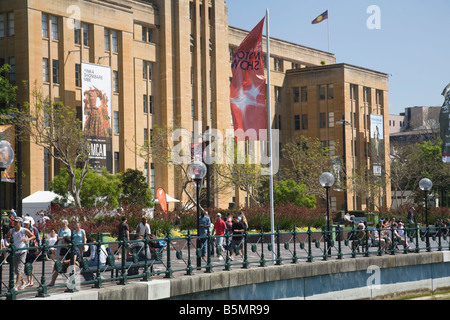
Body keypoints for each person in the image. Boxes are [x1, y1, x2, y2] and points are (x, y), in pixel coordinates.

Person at [6, 217, 36, 290]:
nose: (14, 223)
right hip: (15, 251)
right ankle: (23, 281)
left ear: (20, 223)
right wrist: (9, 240)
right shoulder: (11, 230)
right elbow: (7, 237)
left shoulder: (24, 230)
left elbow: (33, 236)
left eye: (16, 222)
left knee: (20, 268)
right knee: (16, 270)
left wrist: (27, 239)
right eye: (14, 222)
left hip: (22, 251)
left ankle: (16, 285)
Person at [23, 218, 40, 287]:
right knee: (26, 265)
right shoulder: (23, 229)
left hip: (31, 249)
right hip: (24, 249)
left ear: (30, 222)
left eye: (27, 223)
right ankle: (28, 280)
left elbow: (38, 238)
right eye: (24, 223)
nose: (25, 225)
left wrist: (39, 248)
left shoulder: (33, 229)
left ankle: (31, 281)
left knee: (29, 265)